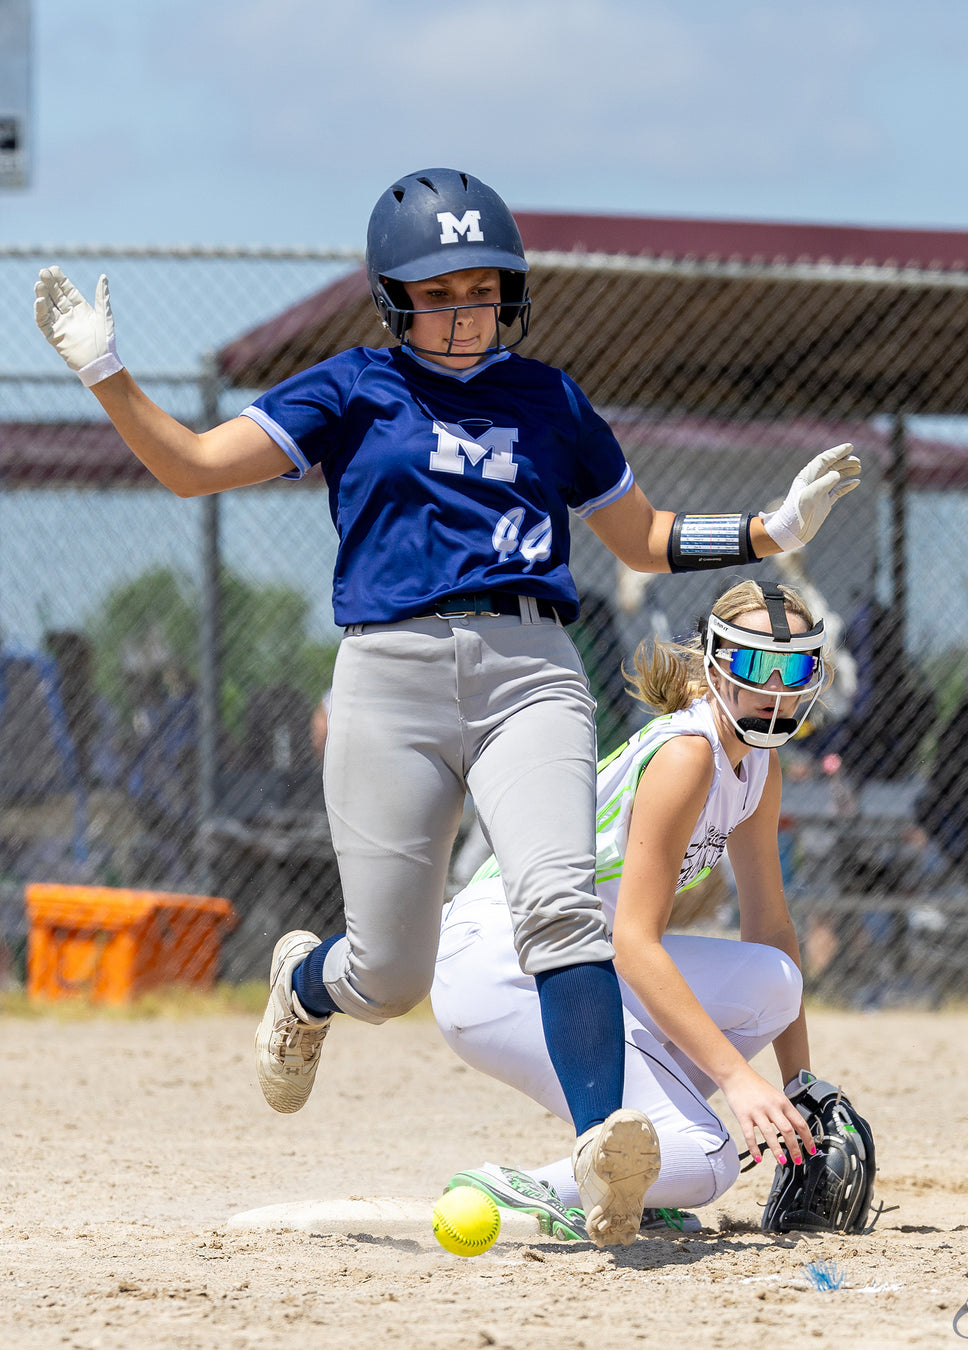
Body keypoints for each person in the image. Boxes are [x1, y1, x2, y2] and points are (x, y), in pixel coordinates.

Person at [34, 166, 859, 1246]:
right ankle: (308, 985)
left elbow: (644, 539)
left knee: (562, 905)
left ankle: (604, 1149)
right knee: (390, 972)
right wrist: (104, 370)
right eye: (437, 293)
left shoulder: (549, 399)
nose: (465, 312)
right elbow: (190, 467)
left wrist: (770, 531)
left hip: (531, 668)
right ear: (393, 299)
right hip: (391, 677)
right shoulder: (351, 388)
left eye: (482, 289)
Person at [431, 578, 840, 1237]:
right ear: (715, 665)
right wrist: (738, 1079)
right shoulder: (688, 755)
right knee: (708, 1159)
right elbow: (633, 944)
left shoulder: (756, 766)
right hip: (503, 964)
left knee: (776, 981)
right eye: (754, 663)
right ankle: (526, 1190)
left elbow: (770, 926)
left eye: (793, 669)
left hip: (576, 963)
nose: (775, 687)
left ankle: (639, 1163)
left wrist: (801, 1086)